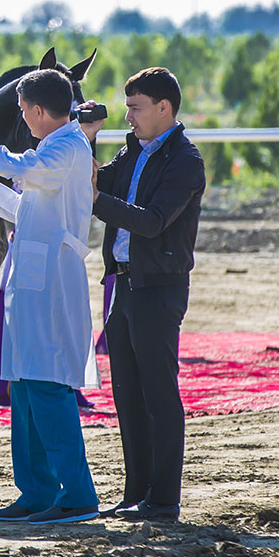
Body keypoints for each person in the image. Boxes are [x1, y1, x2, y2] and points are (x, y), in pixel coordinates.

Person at [0, 69, 99, 525]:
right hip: (35, 277)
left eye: (22, 111)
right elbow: (29, 207)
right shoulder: (55, 149)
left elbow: (28, 169)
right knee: (23, 383)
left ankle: (77, 494)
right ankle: (37, 492)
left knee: (46, 383)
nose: (22, 118)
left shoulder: (68, 147)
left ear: (39, 111)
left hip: (53, 281)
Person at [79, 67, 205, 522]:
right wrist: (87, 139)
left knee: (158, 394)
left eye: (135, 108)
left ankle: (164, 500)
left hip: (159, 288)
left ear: (163, 108)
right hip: (124, 284)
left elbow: (151, 222)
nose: (128, 116)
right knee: (129, 397)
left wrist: (97, 200)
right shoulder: (132, 150)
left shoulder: (186, 161)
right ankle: (136, 494)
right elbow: (96, 180)